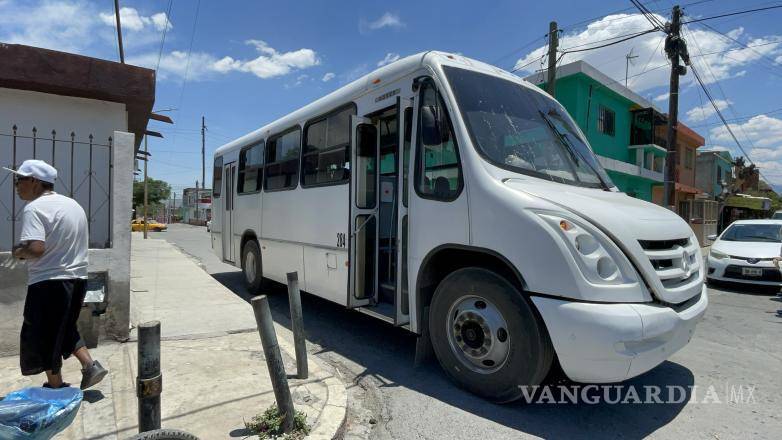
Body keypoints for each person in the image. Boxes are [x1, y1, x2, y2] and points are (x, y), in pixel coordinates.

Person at [4, 159, 108, 389]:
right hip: (77, 279)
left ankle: (55, 386)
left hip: (49, 282)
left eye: (19, 180)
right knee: (64, 327)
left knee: (43, 334)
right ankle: (90, 366)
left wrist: (17, 251)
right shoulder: (73, 205)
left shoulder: (34, 208)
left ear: (34, 181)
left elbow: (36, 249)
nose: (16, 185)